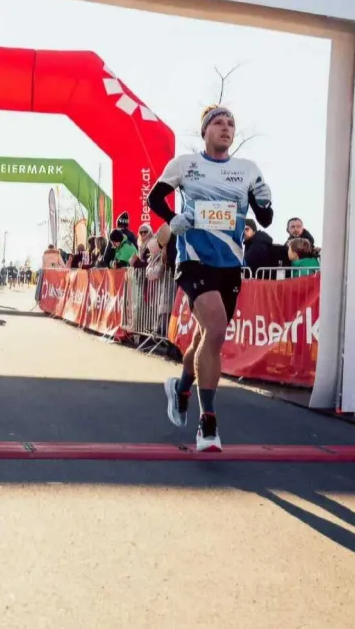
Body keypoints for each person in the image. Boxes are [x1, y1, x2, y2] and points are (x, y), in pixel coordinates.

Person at [147, 105, 273, 451]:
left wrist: (263, 201)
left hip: (229, 263)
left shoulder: (246, 170)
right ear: (205, 131)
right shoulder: (187, 164)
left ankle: (181, 386)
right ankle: (208, 423)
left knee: (208, 338)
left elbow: (266, 216)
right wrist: (175, 219)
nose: (226, 127)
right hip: (194, 259)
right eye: (218, 122)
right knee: (216, 330)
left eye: (231, 123)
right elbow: (154, 197)